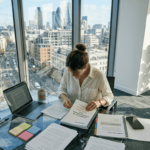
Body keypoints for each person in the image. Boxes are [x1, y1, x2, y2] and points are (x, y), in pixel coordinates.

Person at [57, 44, 114, 111]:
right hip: (70, 111)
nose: (72, 75)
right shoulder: (67, 71)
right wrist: (64, 98)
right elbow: (61, 89)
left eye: (74, 72)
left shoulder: (99, 75)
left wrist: (99, 102)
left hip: (89, 113)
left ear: (84, 67)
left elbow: (109, 96)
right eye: (70, 71)